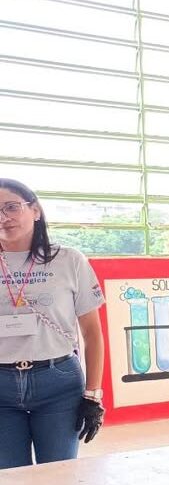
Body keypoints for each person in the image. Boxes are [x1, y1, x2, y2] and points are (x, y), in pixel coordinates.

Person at [0, 179, 105, 469]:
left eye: (11, 207)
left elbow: (92, 333)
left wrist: (93, 396)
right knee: (12, 479)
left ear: (35, 210)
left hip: (57, 383)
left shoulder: (69, 260)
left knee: (59, 474)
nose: (3, 217)